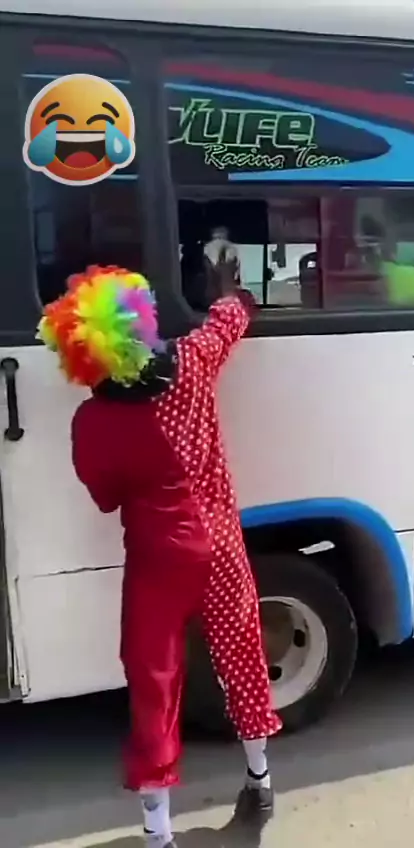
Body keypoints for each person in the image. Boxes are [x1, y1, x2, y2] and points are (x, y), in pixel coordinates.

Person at [37, 259, 282, 848]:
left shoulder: (94, 420)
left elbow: (104, 497)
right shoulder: (192, 363)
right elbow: (229, 319)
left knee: (155, 684)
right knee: (242, 656)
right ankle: (260, 780)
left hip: (156, 561)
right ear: (140, 321)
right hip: (220, 546)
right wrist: (227, 289)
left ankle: (158, 833)